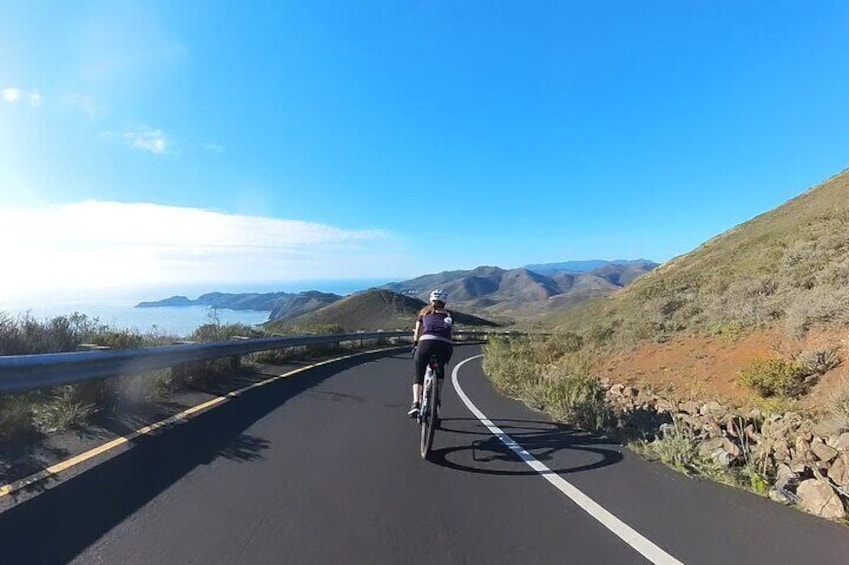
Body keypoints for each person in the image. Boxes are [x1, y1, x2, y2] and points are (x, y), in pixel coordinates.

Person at [408, 288, 454, 418]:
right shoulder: (449, 316)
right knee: (440, 372)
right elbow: (450, 333)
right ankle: (437, 400)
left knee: (419, 375)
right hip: (444, 345)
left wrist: (415, 345)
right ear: (444, 302)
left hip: (425, 344)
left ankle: (416, 404)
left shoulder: (423, 313)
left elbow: (417, 331)